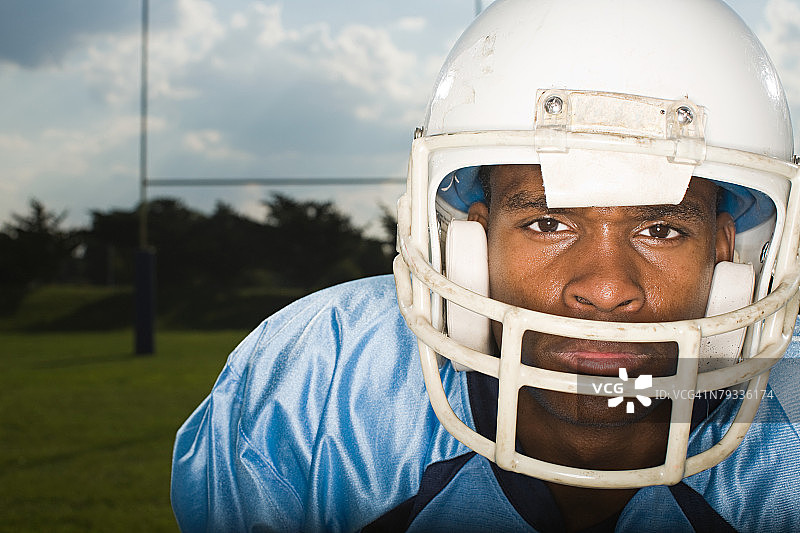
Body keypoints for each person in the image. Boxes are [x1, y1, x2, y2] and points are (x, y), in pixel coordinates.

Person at [171, 0, 800, 531]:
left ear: (725, 254)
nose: (607, 288)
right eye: (547, 224)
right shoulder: (324, 378)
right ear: (471, 244)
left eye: (660, 230)